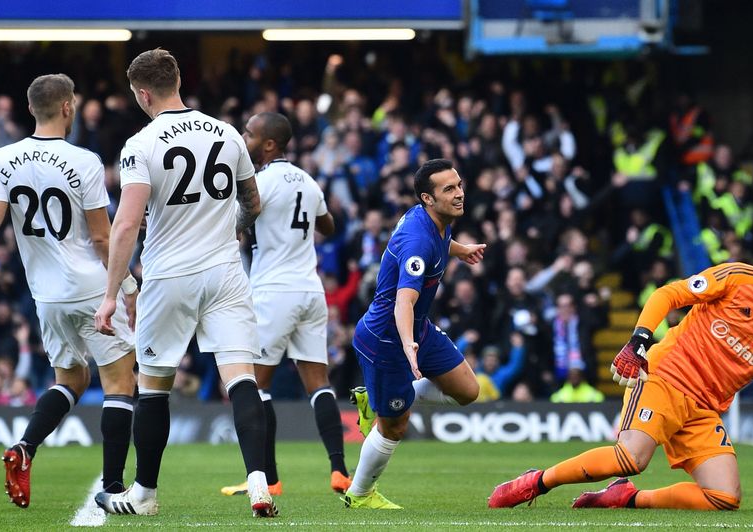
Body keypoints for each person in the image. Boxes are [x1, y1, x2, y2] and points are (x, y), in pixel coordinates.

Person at [489, 229, 753, 511]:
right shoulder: (739, 277)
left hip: (703, 409)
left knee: (724, 497)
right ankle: (537, 482)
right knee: (631, 457)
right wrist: (638, 343)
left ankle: (627, 498)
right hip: (665, 376)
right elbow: (669, 294)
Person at [0, 73, 137, 508]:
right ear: (68, 107)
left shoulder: (1, 159)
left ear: (30, 109)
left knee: (72, 378)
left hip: (46, 297)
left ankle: (25, 447)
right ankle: (115, 487)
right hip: (89, 287)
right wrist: (128, 286)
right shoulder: (84, 160)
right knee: (120, 383)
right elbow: (103, 239)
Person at [92, 49, 275, 518]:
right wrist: (235, 225)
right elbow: (252, 201)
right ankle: (259, 482)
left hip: (169, 276)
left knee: (153, 387)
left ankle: (145, 495)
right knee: (241, 380)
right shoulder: (229, 133)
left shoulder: (141, 144)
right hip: (226, 273)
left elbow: (127, 224)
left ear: (143, 93)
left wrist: (112, 294)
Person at [219, 112, 352, 498]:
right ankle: (339, 471)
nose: (244, 138)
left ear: (270, 144)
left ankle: (267, 478)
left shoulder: (260, 182)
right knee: (318, 384)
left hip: (272, 292)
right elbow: (328, 226)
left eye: (249, 133)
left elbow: (242, 219)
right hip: (310, 291)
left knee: (256, 385)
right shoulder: (308, 182)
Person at [344, 158, 486, 509]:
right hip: (386, 340)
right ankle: (360, 494)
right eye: (448, 189)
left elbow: (441, 240)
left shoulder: (433, 219)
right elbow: (403, 302)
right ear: (428, 198)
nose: (458, 194)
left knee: (468, 391)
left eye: (459, 185)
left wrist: (460, 249)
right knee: (394, 426)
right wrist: (409, 344)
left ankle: (375, 398)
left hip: (418, 330)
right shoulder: (418, 243)